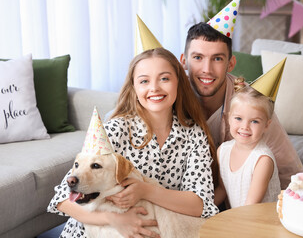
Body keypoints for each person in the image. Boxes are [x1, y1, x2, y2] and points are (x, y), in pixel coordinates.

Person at [48, 48, 219, 238]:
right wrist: (112, 219)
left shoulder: (194, 135)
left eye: (164, 78)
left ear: (178, 82)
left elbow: (199, 204)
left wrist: (145, 190)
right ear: (134, 88)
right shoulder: (116, 130)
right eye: (144, 81)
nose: (154, 88)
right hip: (96, 230)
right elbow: (62, 198)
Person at [180, 22, 303, 189]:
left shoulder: (251, 104)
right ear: (184, 61)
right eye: (198, 57)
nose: (207, 69)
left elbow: (289, 171)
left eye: (217, 58)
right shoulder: (173, 97)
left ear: (230, 64)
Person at [214, 77, 281, 208]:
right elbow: (222, 190)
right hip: (238, 218)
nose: (245, 127)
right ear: (229, 118)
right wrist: (202, 211)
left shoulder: (262, 160)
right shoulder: (222, 151)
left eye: (254, 121)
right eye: (238, 118)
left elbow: (250, 207)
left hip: (258, 222)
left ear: (266, 125)